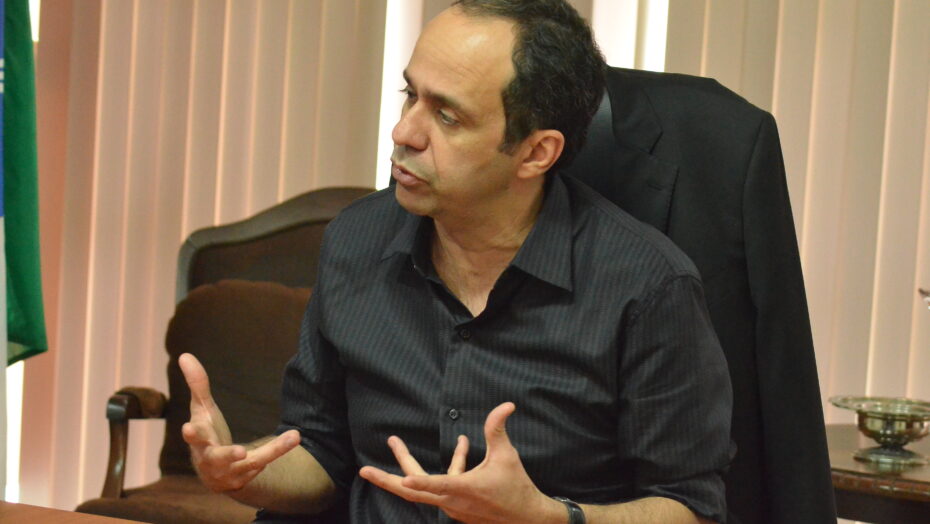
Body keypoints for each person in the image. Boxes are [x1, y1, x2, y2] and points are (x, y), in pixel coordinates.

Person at [180, 1, 732, 522]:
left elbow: (689, 507)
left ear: (536, 152)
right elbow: (322, 454)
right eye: (410, 95)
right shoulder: (356, 239)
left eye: (447, 116)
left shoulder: (647, 286)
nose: (403, 132)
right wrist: (244, 474)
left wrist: (546, 515)